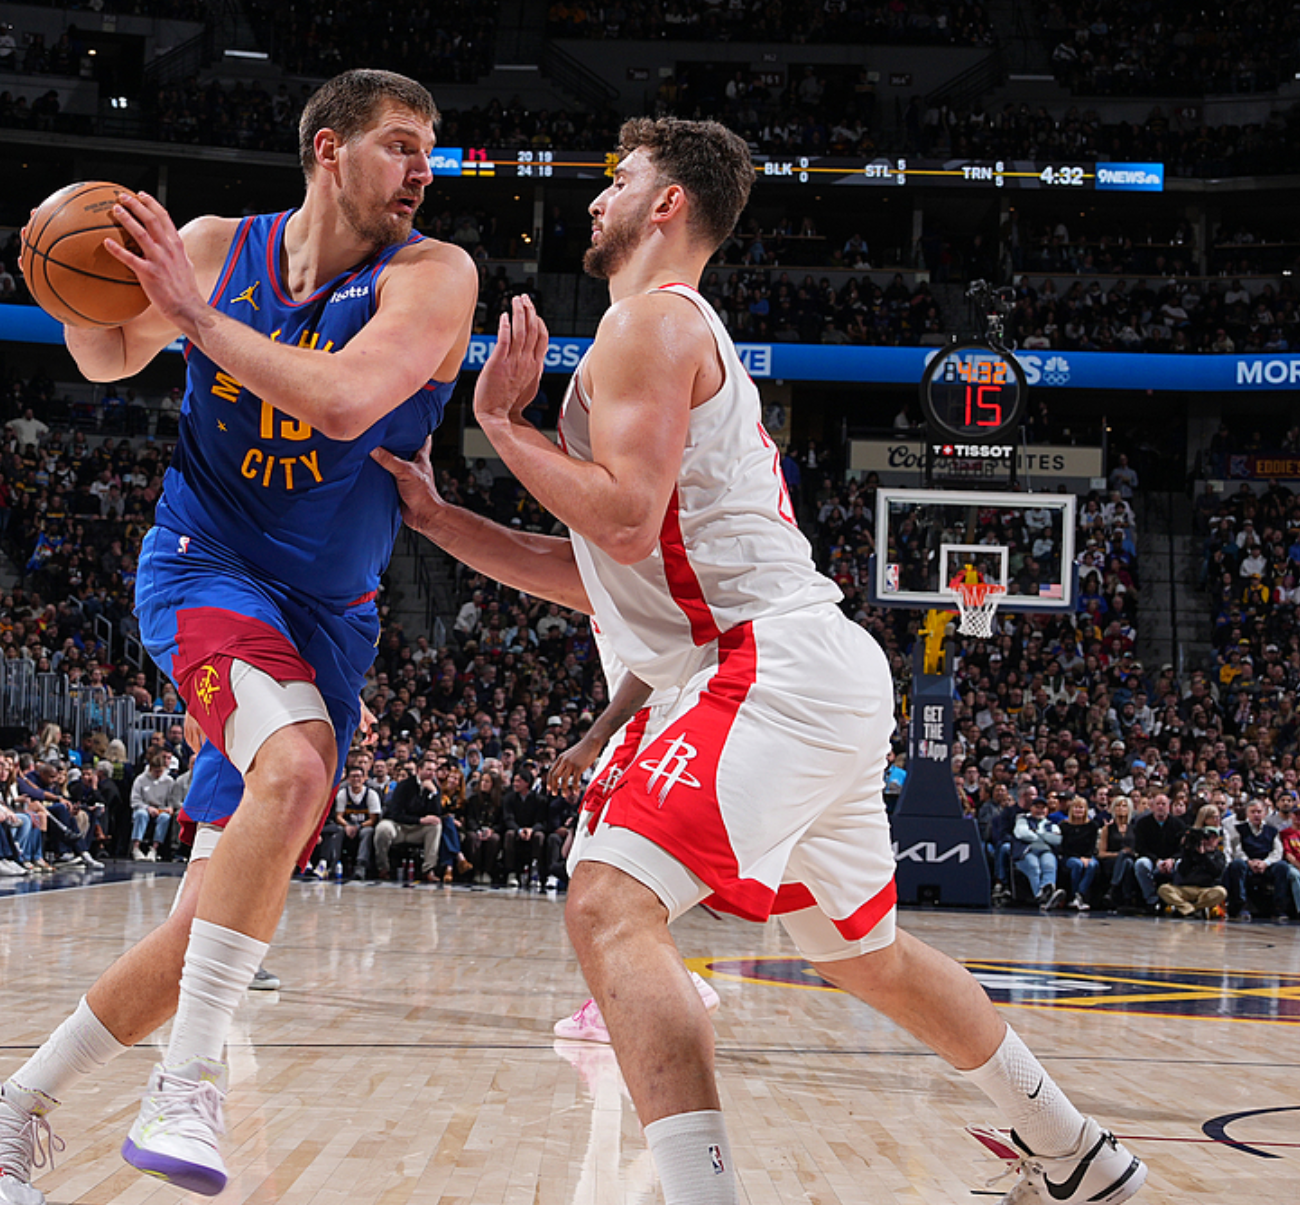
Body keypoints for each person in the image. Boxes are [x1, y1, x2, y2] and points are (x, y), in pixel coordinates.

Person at [378, 116, 1144, 1205]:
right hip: (809, 669)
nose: (596, 197)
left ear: (668, 204)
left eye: (619, 179)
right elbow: (601, 569)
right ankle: (1079, 1152)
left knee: (608, 902)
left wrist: (505, 426)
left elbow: (624, 522)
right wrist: (439, 517)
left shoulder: (648, 321)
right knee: (865, 958)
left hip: (762, 666)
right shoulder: (657, 335)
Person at [0, 68, 475, 1205]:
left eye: (428, 149)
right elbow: (107, 355)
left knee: (204, 928)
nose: (422, 169)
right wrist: (71, 275)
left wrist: (193, 316)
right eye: (399, 143)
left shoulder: (434, 276)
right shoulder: (215, 245)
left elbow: (346, 401)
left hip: (330, 619)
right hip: (206, 567)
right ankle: (187, 1084)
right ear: (328, 149)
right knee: (296, 766)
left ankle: (10, 1106)